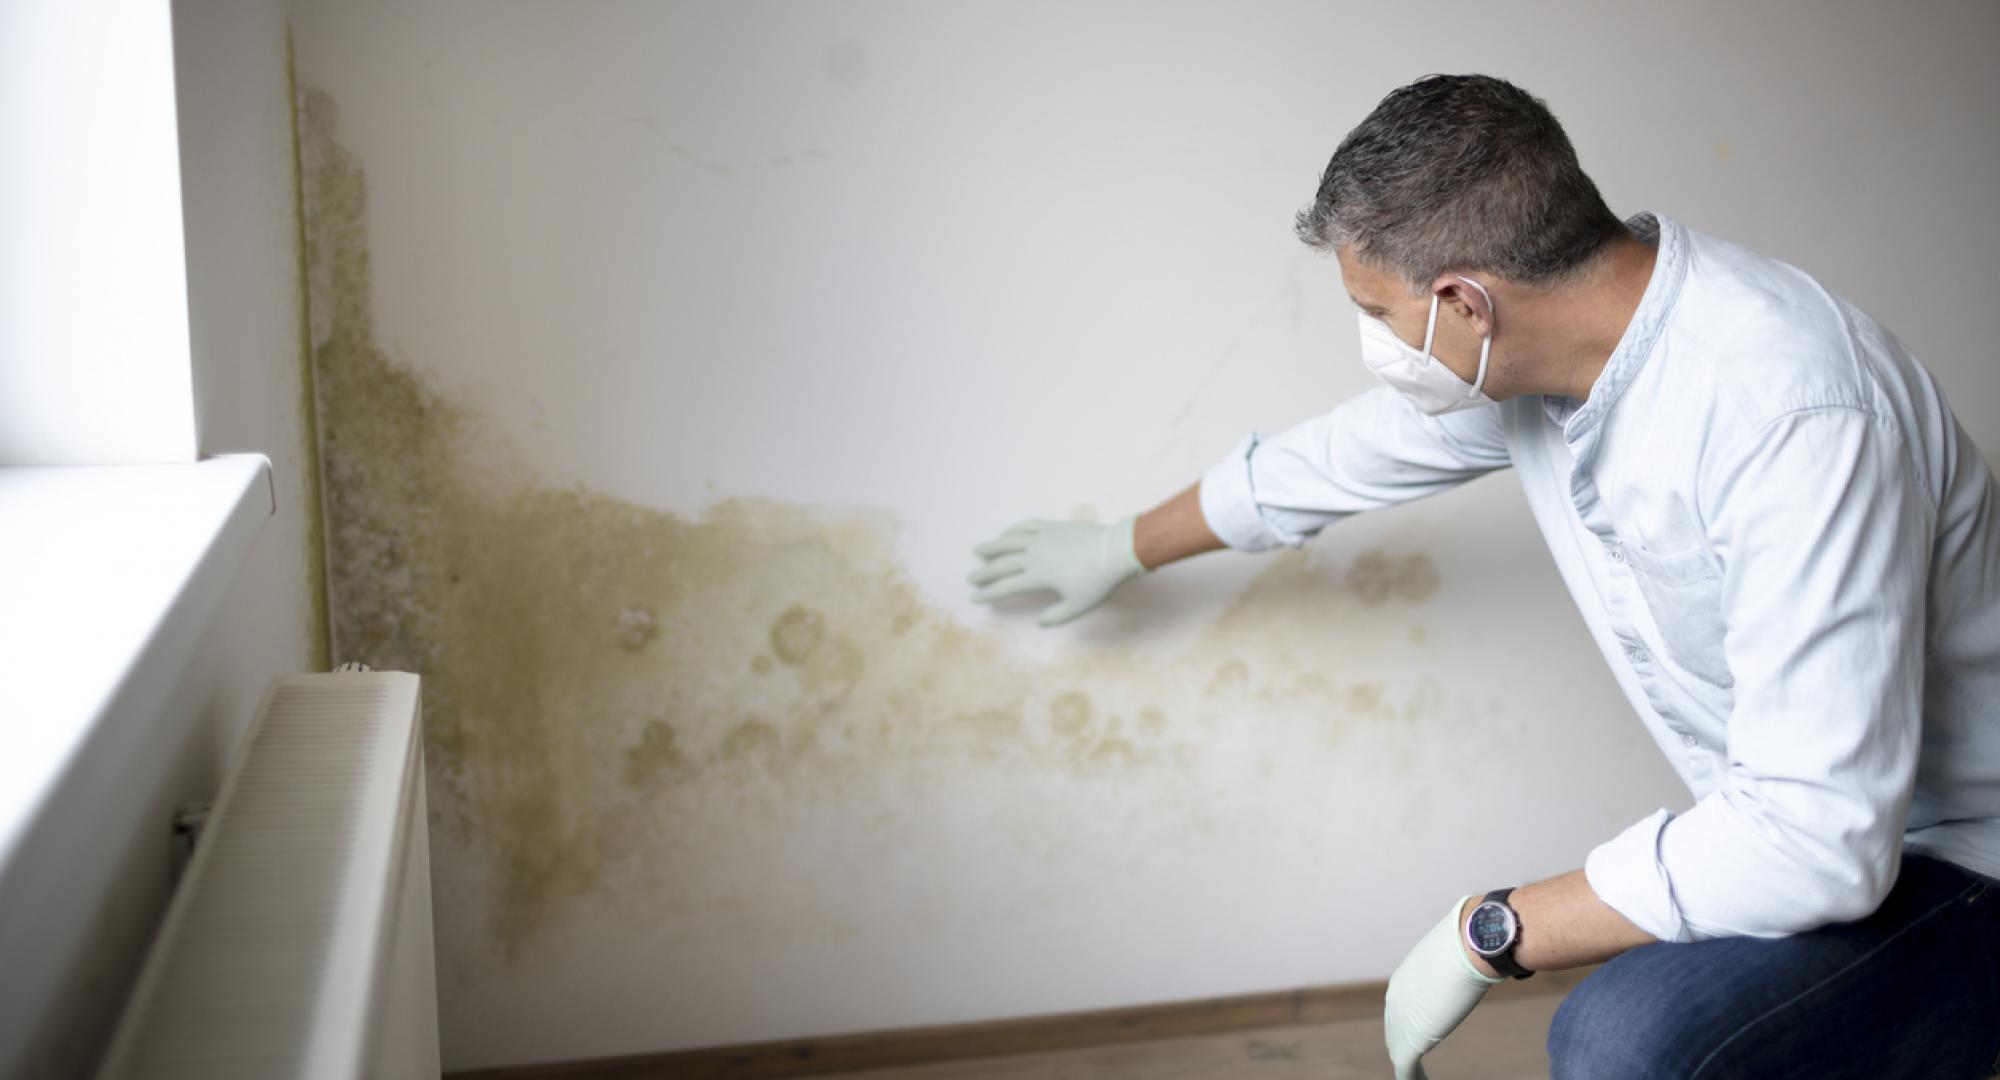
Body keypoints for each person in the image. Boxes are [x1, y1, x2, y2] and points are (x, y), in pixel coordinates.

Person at [967, 74, 2000, 1079]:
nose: (1372, 343)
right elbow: (1328, 461)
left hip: (1959, 861)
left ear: (1464, 301)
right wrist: (1118, 547)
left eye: (1374, 312)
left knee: (1627, 1040)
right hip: (1826, 841)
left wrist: (1489, 931)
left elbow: (1813, 844)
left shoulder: (1785, 415)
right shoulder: (1548, 364)